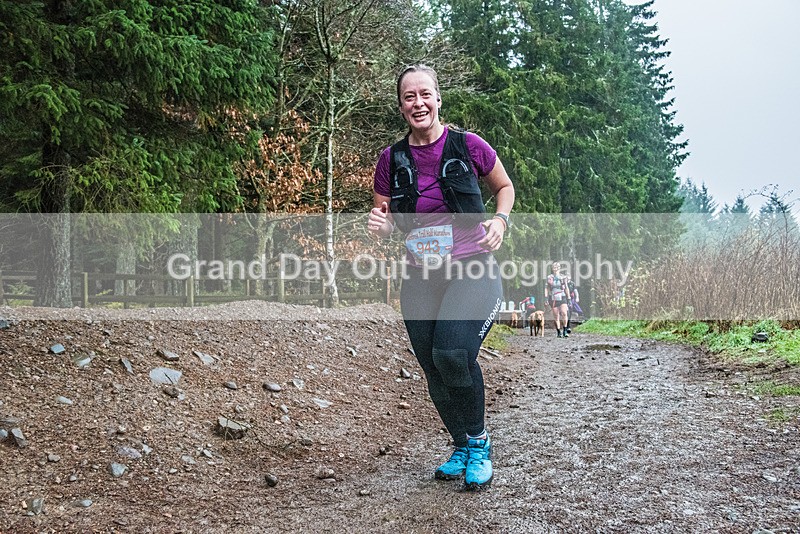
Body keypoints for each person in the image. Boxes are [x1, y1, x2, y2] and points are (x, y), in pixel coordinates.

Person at [367, 64, 514, 490]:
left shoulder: (468, 145)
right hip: (420, 276)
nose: (418, 103)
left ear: (438, 98)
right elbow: (386, 219)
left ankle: (480, 444)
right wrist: (381, 226)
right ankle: (461, 444)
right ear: (401, 106)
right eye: (409, 97)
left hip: (473, 268)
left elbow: (504, 187)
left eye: (425, 94)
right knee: (432, 365)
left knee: (452, 353)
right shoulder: (390, 160)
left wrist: (500, 221)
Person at [545, 262, 571, 338]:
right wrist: (546, 297)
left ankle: (565, 330)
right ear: (552, 268)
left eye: (557, 267)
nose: (555, 269)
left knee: (564, 313)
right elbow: (546, 288)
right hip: (554, 298)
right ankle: (558, 331)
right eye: (554, 267)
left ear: (559, 268)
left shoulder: (563, 277)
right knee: (556, 315)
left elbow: (566, 288)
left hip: (562, 296)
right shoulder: (549, 277)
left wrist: (569, 298)